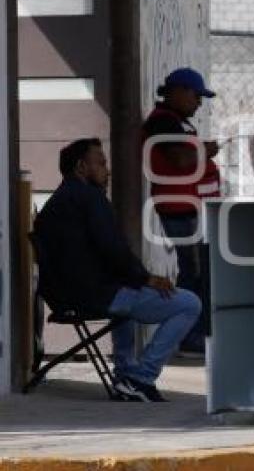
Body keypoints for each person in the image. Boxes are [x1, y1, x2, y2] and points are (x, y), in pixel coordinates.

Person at [34, 138, 201, 402]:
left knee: (130, 292)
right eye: (100, 163)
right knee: (189, 303)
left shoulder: (59, 201)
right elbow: (114, 250)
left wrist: (137, 279)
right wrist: (147, 278)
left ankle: (125, 373)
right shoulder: (90, 198)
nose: (106, 170)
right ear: (81, 167)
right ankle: (140, 377)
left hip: (68, 295)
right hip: (95, 294)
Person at [142, 67, 220, 356]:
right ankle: (190, 335)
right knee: (193, 272)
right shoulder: (163, 122)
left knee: (195, 270)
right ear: (180, 91)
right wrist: (206, 152)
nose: (199, 103)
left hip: (187, 207)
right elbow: (179, 159)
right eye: (197, 96)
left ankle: (191, 333)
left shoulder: (174, 122)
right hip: (177, 208)